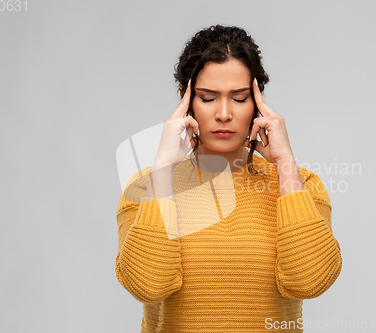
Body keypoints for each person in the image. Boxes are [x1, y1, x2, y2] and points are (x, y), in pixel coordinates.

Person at [115, 24, 342, 332]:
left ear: (258, 103)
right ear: (186, 99)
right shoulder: (144, 187)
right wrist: (163, 169)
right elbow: (148, 286)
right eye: (208, 98)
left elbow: (310, 281)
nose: (223, 113)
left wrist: (284, 163)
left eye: (239, 98)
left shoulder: (301, 184)